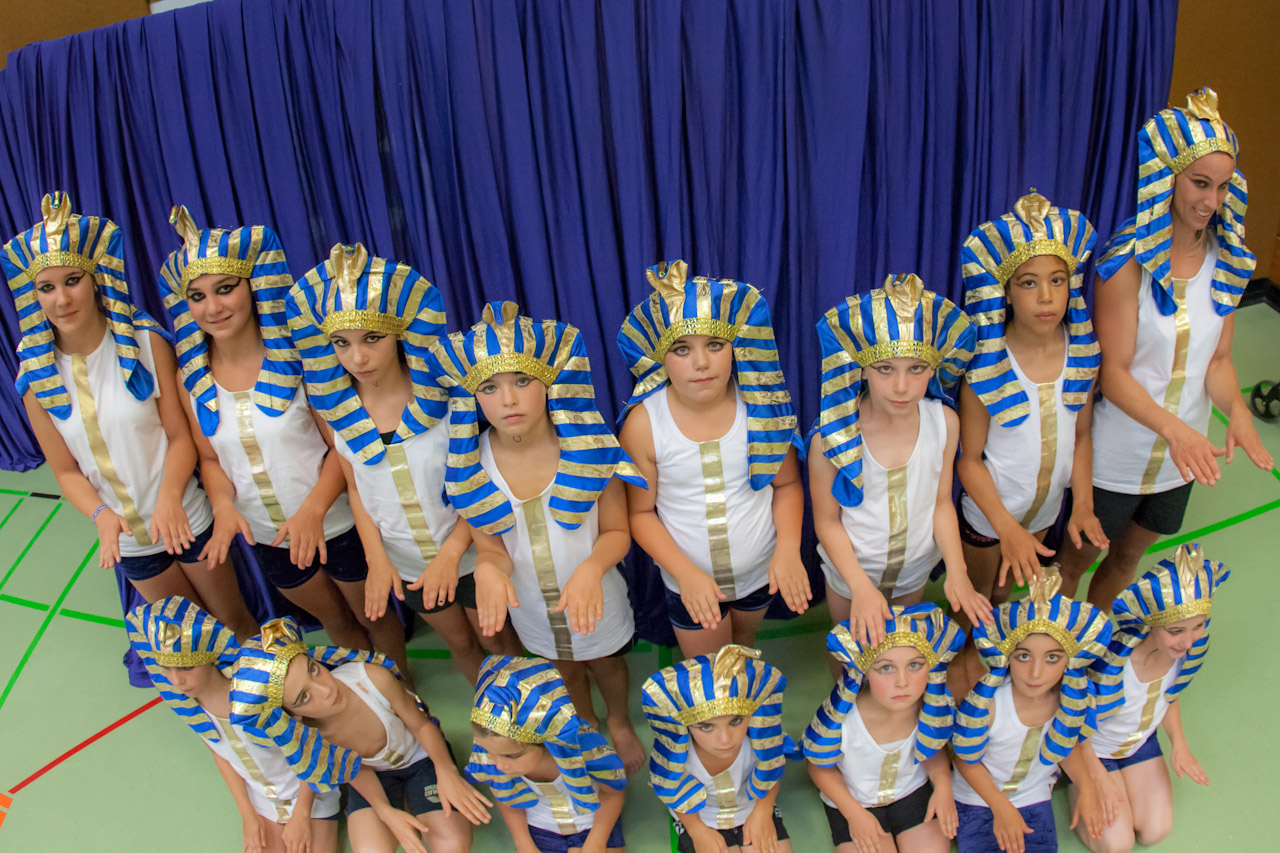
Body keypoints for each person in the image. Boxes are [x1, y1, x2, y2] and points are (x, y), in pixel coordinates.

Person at [0, 192, 253, 638]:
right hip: (131, 544)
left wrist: (170, 497)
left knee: (233, 625)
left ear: (96, 278)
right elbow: (65, 471)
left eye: (72, 280)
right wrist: (100, 514)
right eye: (47, 287)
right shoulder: (35, 377)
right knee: (191, 640)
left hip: (186, 517)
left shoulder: (144, 342)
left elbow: (181, 437)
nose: (62, 299)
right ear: (32, 295)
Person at [1057, 87, 1272, 607]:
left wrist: (1238, 411)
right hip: (1118, 454)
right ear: (1166, 177)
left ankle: (1097, 638)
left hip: (1185, 457)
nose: (1211, 202)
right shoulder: (1126, 263)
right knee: (1075, 562)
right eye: (1200, 183)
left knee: (1128, 558)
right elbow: (1113, 374)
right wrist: (1174, 431)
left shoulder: (1227, 260)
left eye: (1222, 187)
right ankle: (1054, 645)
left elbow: (1218, 361)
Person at [156, 206, 388, 661]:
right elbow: (210, 460)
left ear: (253, 285)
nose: (213, 307)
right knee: (336, 623)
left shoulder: (300, 360)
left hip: (336, 523)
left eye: (225, 289)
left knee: (375, 620)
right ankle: (369, 693)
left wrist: (313, 510)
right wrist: (223, 505)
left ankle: (402, 690)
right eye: (198, 296)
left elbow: (341, 447)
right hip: (269, 539)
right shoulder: (191, 379)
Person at [286, 243, 518, 686]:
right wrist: (377, 560)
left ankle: (522, 715)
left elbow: (483, 481)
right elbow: (357, 490)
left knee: (497, 640)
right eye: (342, 343)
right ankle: (491, 711)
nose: (357, 357)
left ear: (400, 332)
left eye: (372, 338)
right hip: (407, 562)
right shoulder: (338, 410)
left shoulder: (448, 399)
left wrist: (452, 554)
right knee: (460, 644)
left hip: (472, 550)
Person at [428, 301, 647, 773]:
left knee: (607, 663)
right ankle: (585, 721)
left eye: (522, 381)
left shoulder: (589, 448)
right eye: (490, 387)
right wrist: (487, 570)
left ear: (549, 382)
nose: (508, 400)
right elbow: (491, 547)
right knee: (562, 669)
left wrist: (592, 569)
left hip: (596, 595)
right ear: (473, 397)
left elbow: (617, 532)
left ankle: (619, 719)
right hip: (530, 605)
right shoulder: (472, 464)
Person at [617, 260, 808, 658]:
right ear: (660, 356)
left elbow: (787, 484)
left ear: (735, 347)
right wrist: (685, 574)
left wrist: (789, 549)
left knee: (743, 650)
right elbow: (640, 513)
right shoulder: (643, 424)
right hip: (688, 583)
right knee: (708, 671)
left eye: (715, 345)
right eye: (682, 349)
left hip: (760, 573)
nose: (701, 363)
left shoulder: (762, 406)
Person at [810, 273, 991, 649]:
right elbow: (827, 522)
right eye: (885, 369)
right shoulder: (832, 436)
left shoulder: (945, 423)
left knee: (901, 651)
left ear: (934, 368)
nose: (901, 386)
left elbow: (941, 504)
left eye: (916, 369)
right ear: (862, 367)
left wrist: (957, 570)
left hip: (914, 571)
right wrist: (860, 587)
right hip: (852, 576)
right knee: (850, 655)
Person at [956, 192, 1108, 607]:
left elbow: (1081, 437)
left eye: (1057, 280)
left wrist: (1083, 506)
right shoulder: (987, 364)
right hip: (989, 519)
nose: (1046, 296)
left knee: (1005, 596)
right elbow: (969, 462)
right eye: (1028, 282)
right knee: (978, 604)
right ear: (1006, 291)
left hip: (1045, 513)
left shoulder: (1083, 354)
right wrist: (1006, 529)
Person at [231, 617, 491, 853]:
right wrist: (386, 812)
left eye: (313, 669)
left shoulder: (372, 679)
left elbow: (422, 726)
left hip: (421, 758)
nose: (325, 689)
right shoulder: (310, 736)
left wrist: (445, 770)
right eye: (305, 697)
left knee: (452, 844)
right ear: (293, 714)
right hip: (372, 776)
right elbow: (354, 768)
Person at [127, 597, 338, 853]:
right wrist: (247, 814)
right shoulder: (191, 707)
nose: (176, 681)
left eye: (187, 667)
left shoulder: (256, 696)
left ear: (209, 656)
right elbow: (222, 755)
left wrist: (301, 815)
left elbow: (311, 750)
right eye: (166, 669)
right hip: (264, 801)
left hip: (309, 793)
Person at [1072, 544, 1227, 852]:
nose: (1188, 640)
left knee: (1155, 831)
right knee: (1118, 844)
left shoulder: (1184, 652)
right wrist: (1095, 777)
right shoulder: (1113, 665)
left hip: (1139, 744)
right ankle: (1076, 785)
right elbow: (1075, 724)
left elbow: (1169, 695)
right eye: (1176, 630)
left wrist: (1179, 745)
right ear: (1151, 621)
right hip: (1093, 750)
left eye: (1198, 626)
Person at [950, 568, 1112, 853]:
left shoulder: (1070, 701)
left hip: (1033, 796)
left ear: (1069, 660)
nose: (1036, 673)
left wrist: (1087, 788)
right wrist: (1000, 807)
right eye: (1024, 656)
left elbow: (1067, 745)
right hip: (977, 798)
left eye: (1052, 658)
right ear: (1007, 656)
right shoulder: (988, 704)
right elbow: (965, 761)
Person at [803, 604, 964, 853]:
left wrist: (943, 787)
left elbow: (932, 748)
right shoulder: (843, 719)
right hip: (854, 802)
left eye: (914, 665)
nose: (902, 682)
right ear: (865, 671)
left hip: (911, 792)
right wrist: (853, 814)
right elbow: (819, 767)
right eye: (886, 668)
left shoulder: (930, 707)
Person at [641, 644, 796, 853]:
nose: (725, 739)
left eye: (736, 721)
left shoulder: (759, 740)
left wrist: (763, 811)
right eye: (706, 727)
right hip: (700, 817)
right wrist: (697, 830)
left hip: (753, 808)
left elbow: (771, 770)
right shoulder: (679, 756)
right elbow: (674, 789)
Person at [467, 655, 627, 852]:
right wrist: (523, 843)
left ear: (545, 740)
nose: (500, 765)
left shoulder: (583, 747)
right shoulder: (496, 750)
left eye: (513, 756)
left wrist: (597, 842)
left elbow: (612, 792)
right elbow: (508, 798)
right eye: (490, 753)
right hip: (540, 829)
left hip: (592, 822)